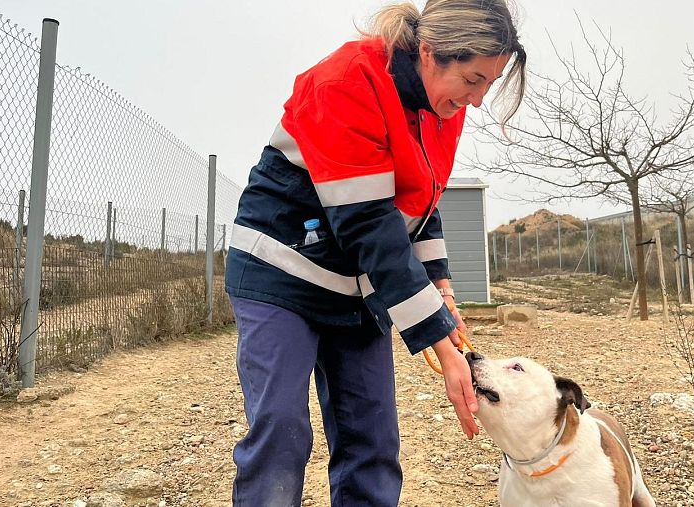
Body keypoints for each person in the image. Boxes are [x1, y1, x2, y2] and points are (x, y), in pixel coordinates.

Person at [224, 1, 526, 505]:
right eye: (473, 80)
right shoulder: (344, 82)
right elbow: (368, 224)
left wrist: (440, 282)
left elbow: (420, 201)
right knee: (281, 429)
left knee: (373, 437)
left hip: (356, 283)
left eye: (487, 86)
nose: (475, 101)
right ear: (430, 53)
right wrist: (442, 345)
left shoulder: (441, 106)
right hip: (281, 270)